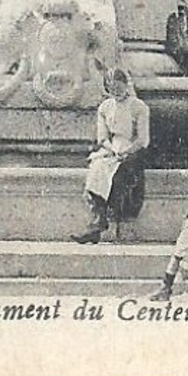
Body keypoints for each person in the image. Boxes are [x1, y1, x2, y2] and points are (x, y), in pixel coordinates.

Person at [73, 68, 150, 244]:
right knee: (97, 169)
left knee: (118, 174)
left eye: (118, 87)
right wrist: (112, 149)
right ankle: (98, 221)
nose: (116, 91)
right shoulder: (105, 107)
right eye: (111, 88)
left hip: (133, 150)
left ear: (126, 84)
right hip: (111, 148)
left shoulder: (139, 107)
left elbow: (143, 139)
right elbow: (103, 137)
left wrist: (126, 151)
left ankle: (103, 222)